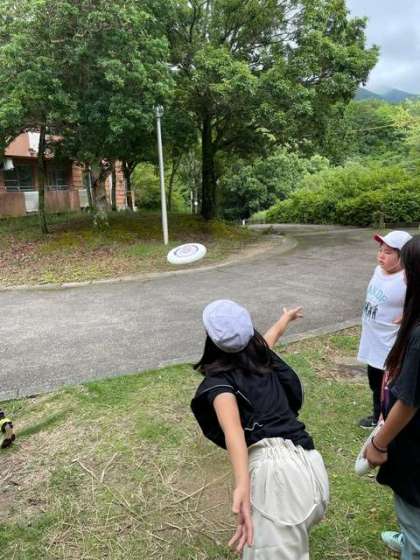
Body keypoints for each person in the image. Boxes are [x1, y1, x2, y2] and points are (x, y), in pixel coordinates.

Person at [191, 300, 329, 559]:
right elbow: (271, 336)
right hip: (311, 466)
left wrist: (242, 486)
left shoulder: (220, 385)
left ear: (211, 339)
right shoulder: (260, 356)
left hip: (279, 481)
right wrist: (285, 318)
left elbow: (234, 434)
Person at [365, 235, 420, 559]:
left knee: (413, 507)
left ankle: (413, 544)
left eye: (408, 271)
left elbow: (409, 401)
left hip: (414, 447)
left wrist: (378, 443)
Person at [357, 230, 412, 429]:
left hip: (390, 343)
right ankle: (377, 415)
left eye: (388, 252)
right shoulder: (378, 270)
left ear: (403, 256)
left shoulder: (407, 278)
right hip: (372, 339)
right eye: (380, 250)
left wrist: (409, 314)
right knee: (374, 381)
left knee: (386, 385)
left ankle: (384, 420)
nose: (381, 255)